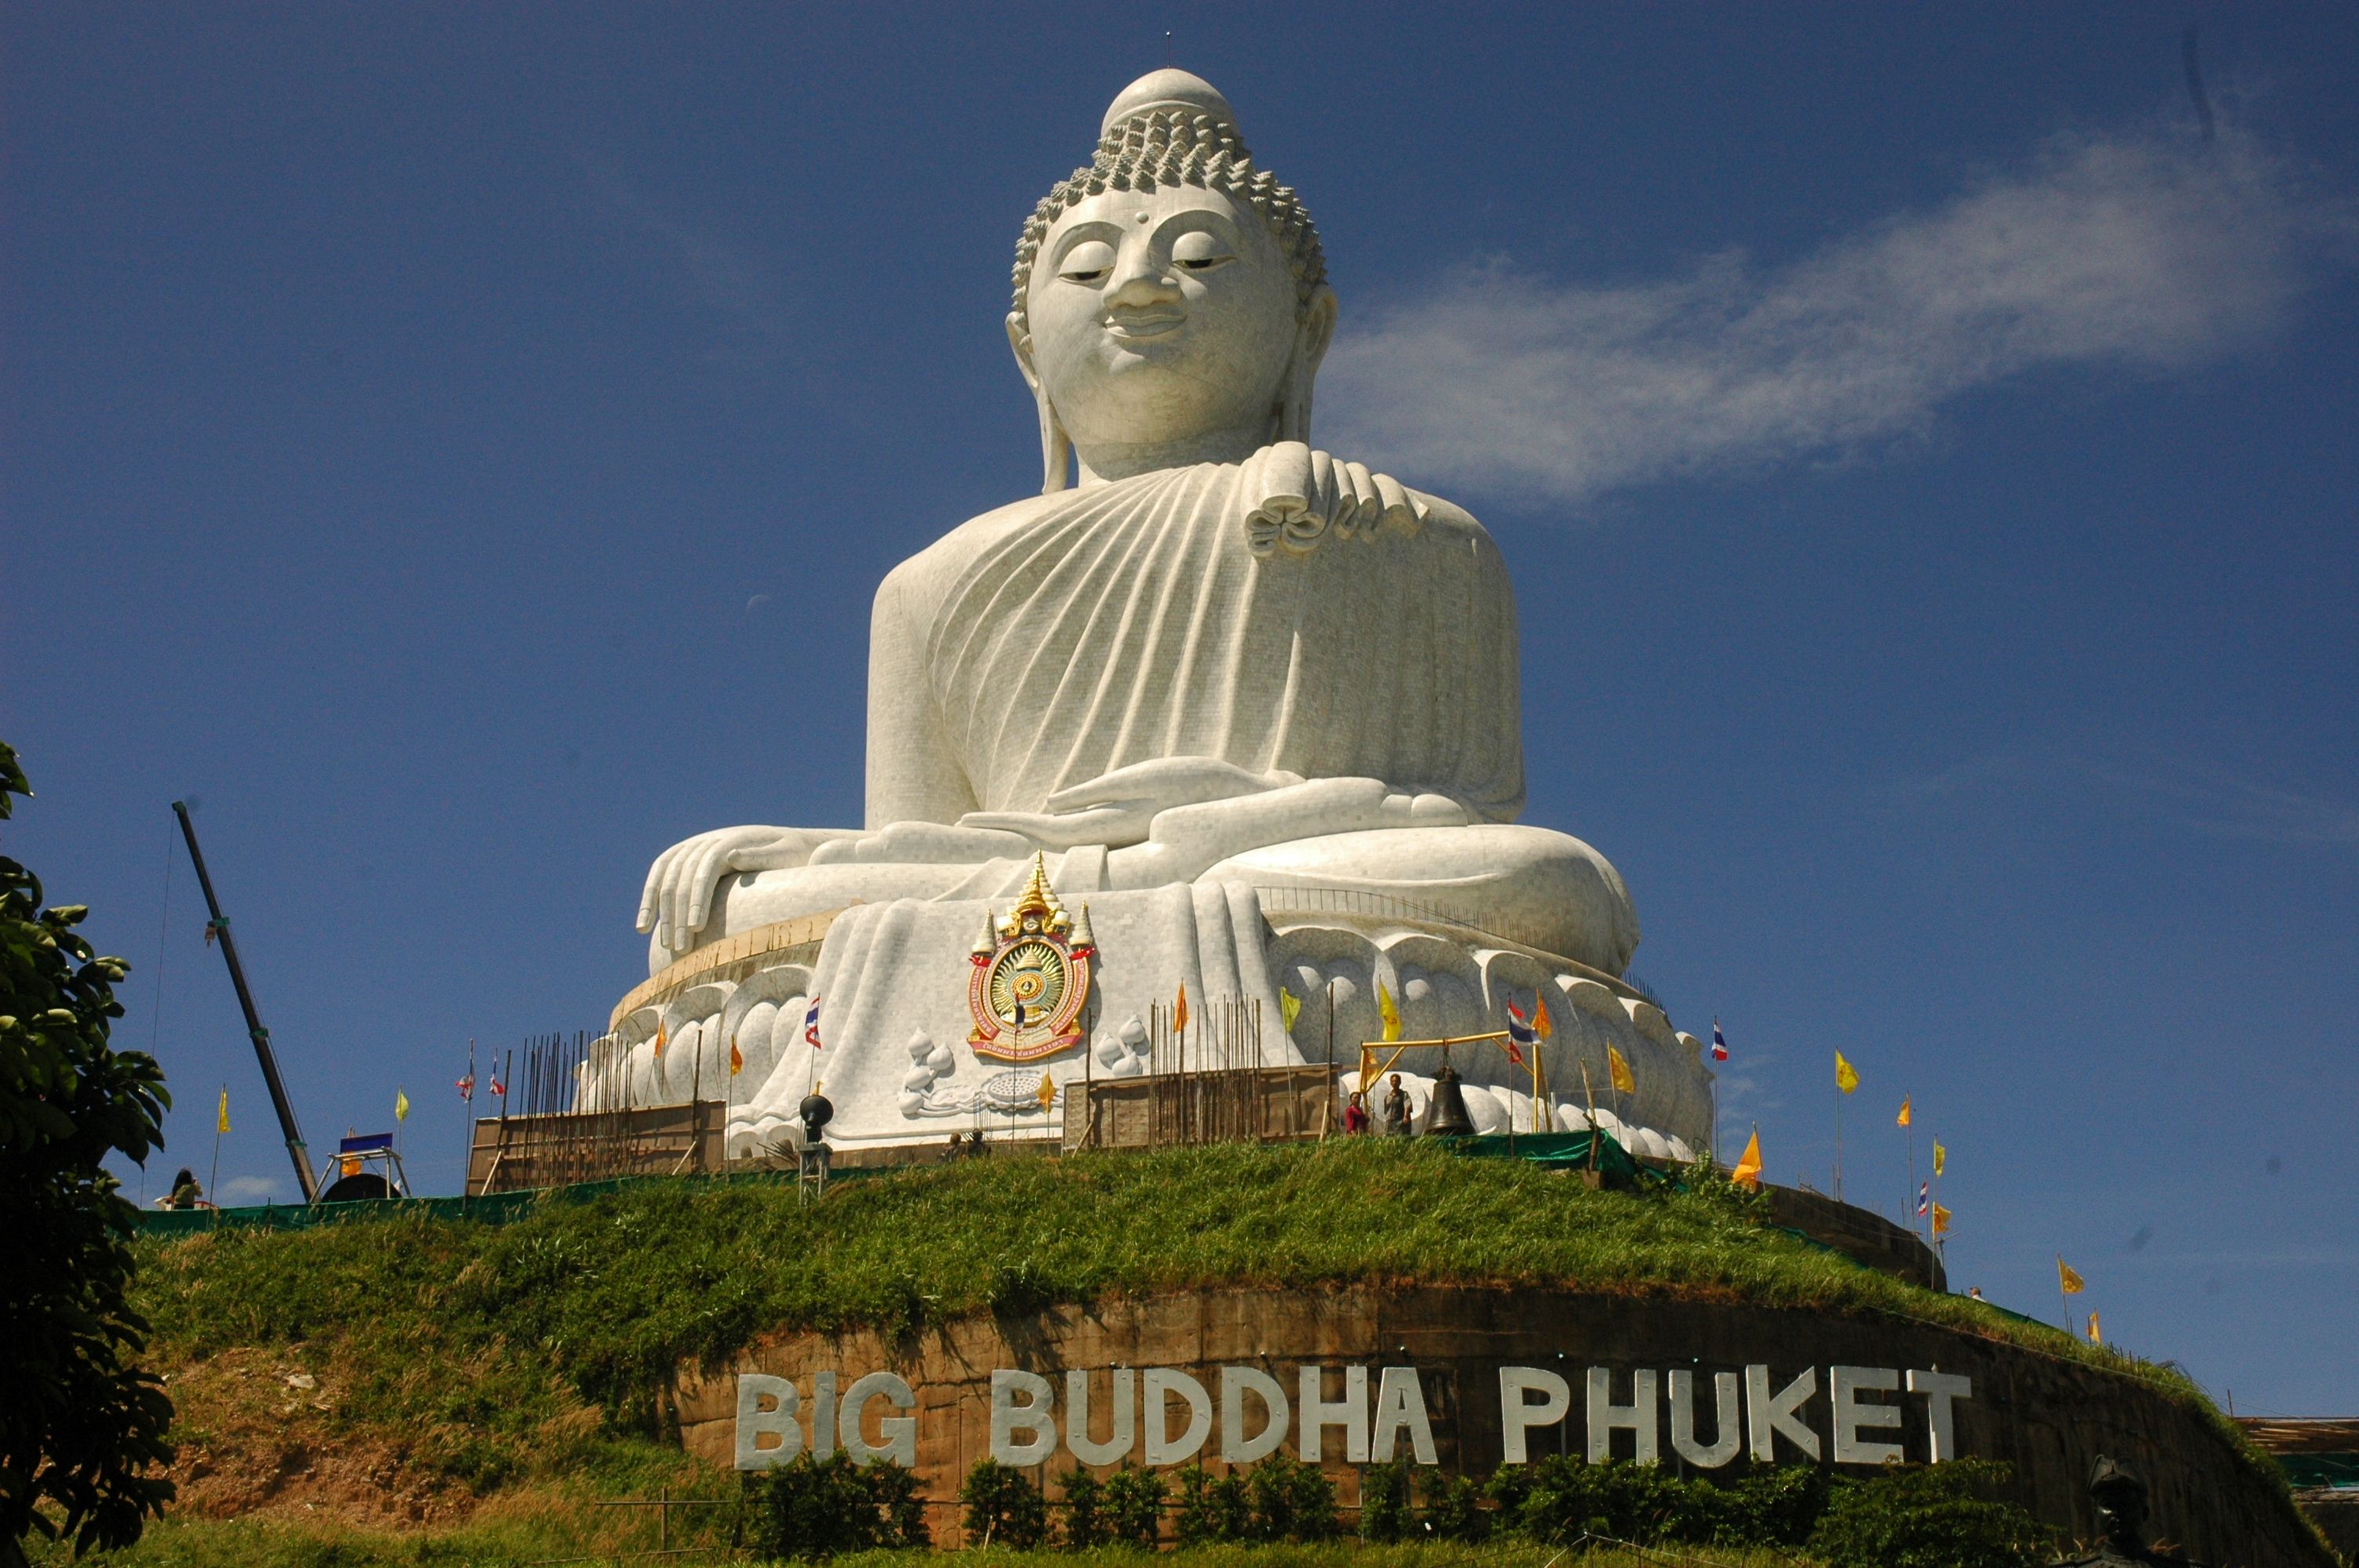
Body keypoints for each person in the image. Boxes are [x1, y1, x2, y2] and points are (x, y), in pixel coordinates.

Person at [1382, 1073, 1412, 1137]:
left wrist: (1406, 1116)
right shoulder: (1387, 1097)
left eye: (1396, 1081)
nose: (1394, 1083)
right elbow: (1386, 1111)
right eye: (1392, 1081)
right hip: (1389, 1123)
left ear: (1400, 1082)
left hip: (1399, 1122)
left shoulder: (1404, 1094)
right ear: (1390, 1083)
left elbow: (1407, 1105)